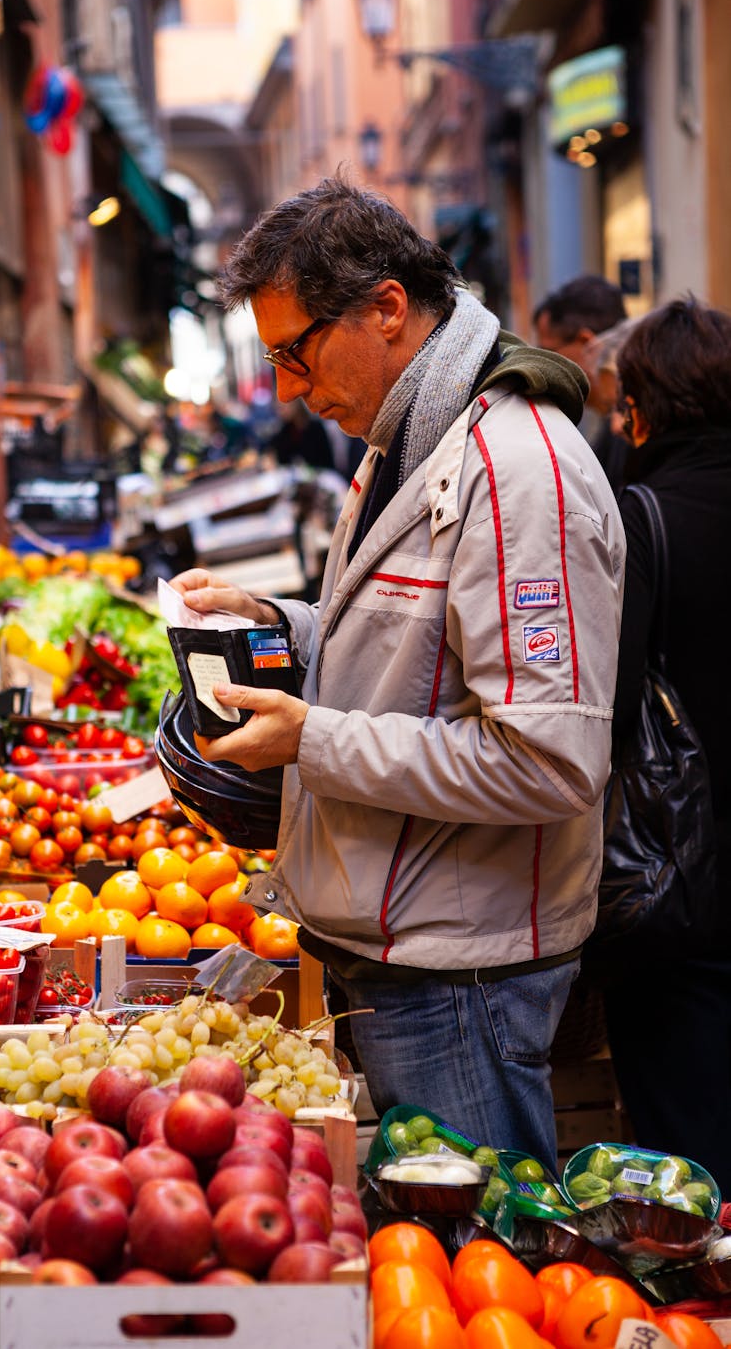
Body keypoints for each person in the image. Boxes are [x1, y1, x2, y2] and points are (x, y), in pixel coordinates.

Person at [169, 175, 625, 1168]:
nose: (291, 385)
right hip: (404, 958)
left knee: (480, 1283)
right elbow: (417, 642)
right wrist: (280, 624)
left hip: (461, 978)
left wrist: (312, 738)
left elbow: (550, 761)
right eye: (275, 356)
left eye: (299, 348)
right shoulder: (406, 444)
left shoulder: (515, 469)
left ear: (387, 306)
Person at [599, 296, 731, 1193]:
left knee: (694, 1162)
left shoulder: (639, 521)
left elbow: (599, 714)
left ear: (643, 409)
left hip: (685, 885)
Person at [533, 275, 629, 489]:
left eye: (549, 353)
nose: (544, 367)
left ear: (587, 343)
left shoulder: (629, 430)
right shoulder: (625, 423)